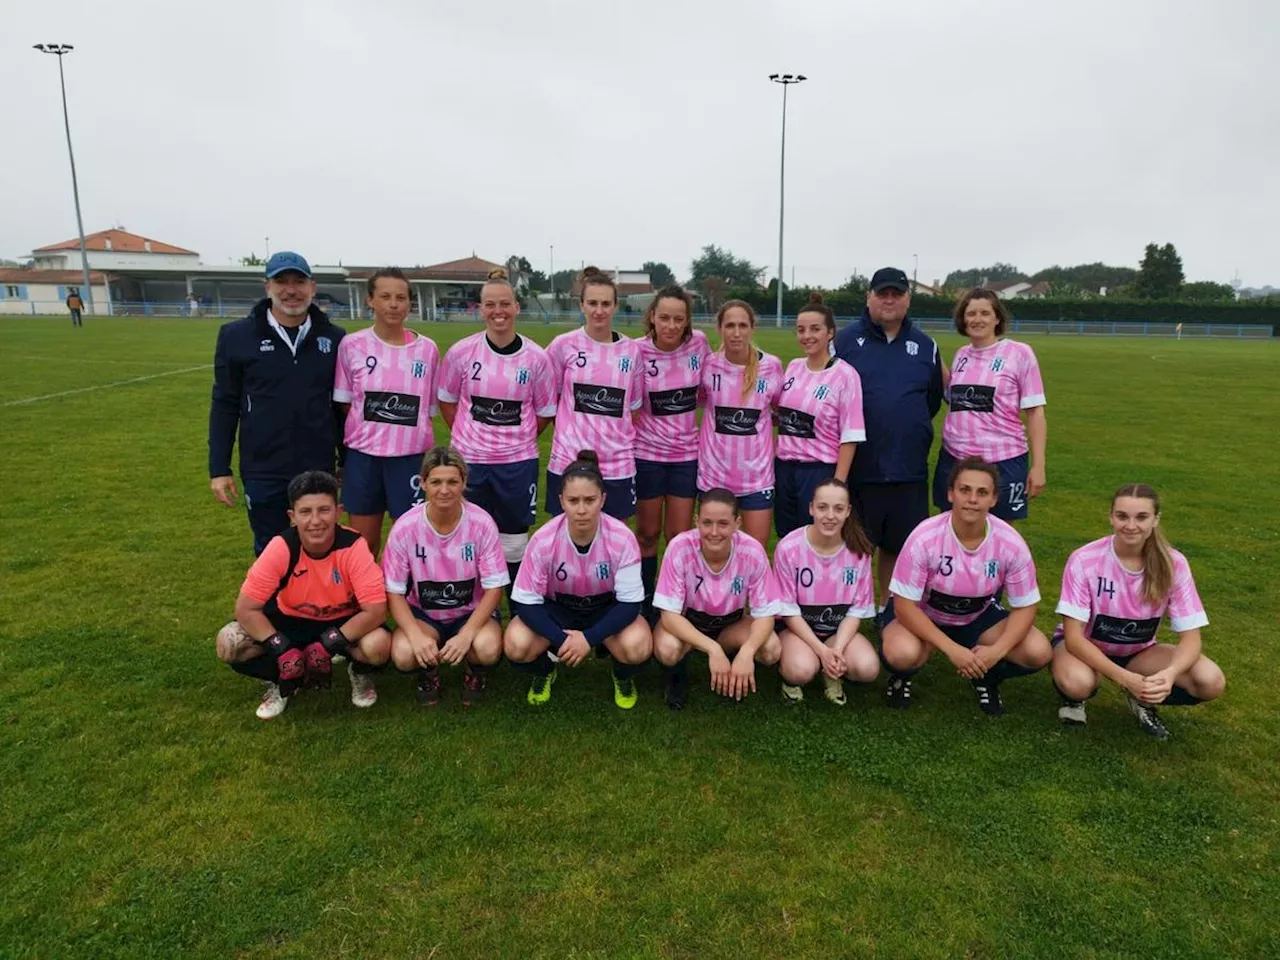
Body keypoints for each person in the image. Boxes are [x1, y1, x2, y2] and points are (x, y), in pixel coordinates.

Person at [1050, 484, 1225, 739]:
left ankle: (1144, 700)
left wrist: (1170, 674)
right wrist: (1125, 679)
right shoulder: (1084, 559)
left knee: (1210, 681)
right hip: (1084, 648)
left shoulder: (1175, 564)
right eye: (1122, 516)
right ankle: (1074, 700)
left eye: (1141, 517)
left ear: (1156, 519)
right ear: (1111, 517)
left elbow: (1191, 636)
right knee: (1078, 683)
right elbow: (1074, 637)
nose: (1131, 525)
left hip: (1139, 651)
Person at [214, 470, 391, 720]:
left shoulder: (353, 546)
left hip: (342, 621)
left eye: (324, 510)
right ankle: (281, 680)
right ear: (292, 516)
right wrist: (281, 648)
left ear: (338, 511)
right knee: (229, 643)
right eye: (305, 512)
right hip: (291, 620)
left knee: (378, 646)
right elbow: (245, 609)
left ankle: (359, 672)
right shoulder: (281, 547)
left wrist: (331, 642)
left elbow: (375, 610)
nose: (315, 520)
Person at [881, 457, 1051, 715]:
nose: (972, 499)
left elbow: (1026, 606)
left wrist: (996, 652)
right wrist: (952, 650)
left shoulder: (1010, 543)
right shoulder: (925, 536)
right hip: (923, 614)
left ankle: (986, 675)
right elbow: (904, 606)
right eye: (965, 490)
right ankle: (902, 677)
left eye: (982, 492)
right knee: (902, 653)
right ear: (951, 494)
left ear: (994, 499)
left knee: (1037, 651)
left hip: (976, 616)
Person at [209, 251, 347, 555]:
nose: (291, 290)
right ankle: (273, 605)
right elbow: (225, 403)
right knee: (271, 550)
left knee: (320, 546)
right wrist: (219, 468)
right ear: (267, 286)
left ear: (312, 286)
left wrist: (346, 461)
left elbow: (341, 408)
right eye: (281, 281)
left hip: (318, 465)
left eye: (299, 281)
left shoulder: (336, 339)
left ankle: (317, 604)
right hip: (264, 467)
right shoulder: (236, 336)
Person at [833, 267, 945, 618]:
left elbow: (930, 401)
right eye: (882, 293)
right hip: (859, 468)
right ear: (868, 297)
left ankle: (889, 614)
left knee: (898, 549)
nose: (889, 299)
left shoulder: (926, 346)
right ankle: (843, 615)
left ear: (908, 299)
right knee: (851, 550)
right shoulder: (846, 341)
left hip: (907, 470)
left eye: (897, 293)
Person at [504, 450, 652, 708]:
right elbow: (526, 602)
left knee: (637, 646)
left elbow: (630, 604)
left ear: (603, 499)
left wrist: (589, 639)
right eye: (573, 500)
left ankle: (622, 675)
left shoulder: (622, 538)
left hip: (605, 609)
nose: (582, 510)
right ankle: (545, 670)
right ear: (561, 501)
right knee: (516, 644)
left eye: (590, 500)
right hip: (558, 609)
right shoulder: (543, 539)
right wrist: (563, 641)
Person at [437, 268, 556, 587]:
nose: (498, 311)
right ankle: (477, 610)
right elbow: (447, 401)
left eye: (505, 304)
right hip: (470, 461)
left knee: (514, 543)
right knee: (469, 538)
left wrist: (516, 439)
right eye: (490, 305)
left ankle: (517, 608)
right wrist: (467, 437)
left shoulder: (536, 358)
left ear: (517, 307)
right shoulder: (461, 352)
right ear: (480, 309)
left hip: (516, 464)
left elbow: (544, 412)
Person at [383, 447, 508, 706]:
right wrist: (416, 637)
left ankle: (475, 673)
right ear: (423, 484)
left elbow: (495, 588)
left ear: (464, 482)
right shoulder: (405, 527)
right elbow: (394, 592)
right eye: (436, 482)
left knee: (486, 648)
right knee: (404, 653)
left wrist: (467, 633)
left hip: (469, 613)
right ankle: (428, 672)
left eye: (452, 481)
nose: (444, 490)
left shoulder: (482, 523)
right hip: (425, 615)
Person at [332, 267, 440, 554]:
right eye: (385, 297)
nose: (393, 304)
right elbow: (346, 402)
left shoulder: (427, 350)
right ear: (370, 300)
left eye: (401, 298)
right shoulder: (351, 345)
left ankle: (407, 599)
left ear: (409, 303)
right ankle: (366, 599)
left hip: (410, 459)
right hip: (364, 460)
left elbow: (427, 410)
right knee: (363, 545)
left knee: (414, 543)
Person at [651, 489, 783, 709]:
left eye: (723, 524)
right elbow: (669, 617)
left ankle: (738, 667)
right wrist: (712, 649)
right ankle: (677, 676)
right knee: (667, 649)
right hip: (688, 624)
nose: (714, 532)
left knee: (771, 649)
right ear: (696, 521)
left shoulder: (752, 551)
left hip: (730, 627)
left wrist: (748, 651)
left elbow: (766, 615)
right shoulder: (679, 548)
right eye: (707, 523)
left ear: (737, 523)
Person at [934, 288, 1047, 523]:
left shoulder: (1019, 353)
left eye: (985, 313)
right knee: (949, 529)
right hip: (955, 458)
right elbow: (956, 397)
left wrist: (1039, 466)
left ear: (997, 318)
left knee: (1000, 533)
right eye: (971, 313)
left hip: (1003, 460)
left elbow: (1035, 412)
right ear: (963, 319)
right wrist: (933, 356)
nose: (977, 319)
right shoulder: (962, 354)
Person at [544, 267, 645, 521]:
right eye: (592, 303)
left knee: (612, 540)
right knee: (565, 540)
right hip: (569, 459)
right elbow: (550, 400)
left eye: (605, 303)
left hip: (616, 463)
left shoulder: (632, 351)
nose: (599, 310)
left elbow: (633, 410)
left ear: (615, 306)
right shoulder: (562, 345)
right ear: (581, 305)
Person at [633, 284, 710, 620]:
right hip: (647, 455)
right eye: (664, 317)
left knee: (679, 536)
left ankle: (675, 602)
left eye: (678, 319)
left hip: (685, 458)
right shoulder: (636, 352)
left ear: (687, 321)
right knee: (647, 534)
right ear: (652, 316)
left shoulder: (700, 344)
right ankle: (646, 601)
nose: (671, 325)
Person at [774, 479, 879, 705]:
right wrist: (821, 651)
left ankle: (830, 667)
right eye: (822, 507)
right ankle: (794, 678)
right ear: (811, 508)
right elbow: (788, 611)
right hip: (797, 631)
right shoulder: (789, 549)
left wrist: (837, 649)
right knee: (800, 670)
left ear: (848, 512)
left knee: (868, 668)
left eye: (838, 509)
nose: (830, 515)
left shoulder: (859, 552)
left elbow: (855, 611)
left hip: (837, 632)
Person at [774, 293, 866, 538]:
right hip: (784, 468)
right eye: (801, 330)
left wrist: (837, 484)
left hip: (818, 470)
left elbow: (851, 434)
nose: (807, 336)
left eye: (815, 329)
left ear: (830, 332)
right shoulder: (793, 367)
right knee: (787, 538)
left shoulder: (845, 375)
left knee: (817, 540)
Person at [696, 300, 783, 546]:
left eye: (743, 325)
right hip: (714, 478)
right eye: (730, 325)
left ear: (752, 328)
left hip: (756, 479)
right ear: (720, 328)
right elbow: (701, 400)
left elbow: (778, 408)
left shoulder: (771, 366)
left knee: (755, 552)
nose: (736, 332)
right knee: (714, 552)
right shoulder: (708, 365)